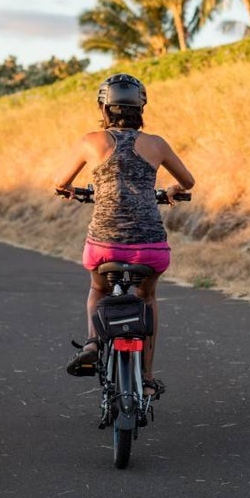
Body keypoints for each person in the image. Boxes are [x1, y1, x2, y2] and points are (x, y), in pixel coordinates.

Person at [54, 73, 194, 396]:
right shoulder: (157, 145)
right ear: (141, 107)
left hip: (104, 247)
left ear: (104, 108)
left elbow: (60, 182)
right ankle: (145, 377)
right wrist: (171, 189)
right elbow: (188, 182)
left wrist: (72, 191)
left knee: (97, 289)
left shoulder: (92, 141)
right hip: (150, 248)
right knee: (148, 298)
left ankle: (91, 342)